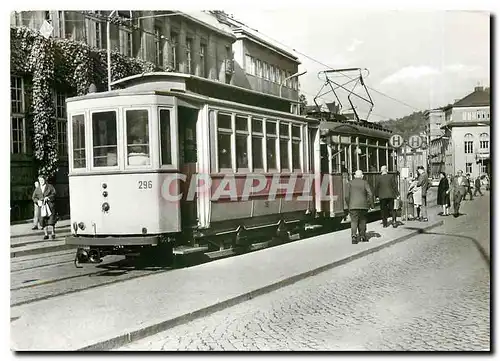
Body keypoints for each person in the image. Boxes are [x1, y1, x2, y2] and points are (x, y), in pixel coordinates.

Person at [345, 170, 374, 244]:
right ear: (362, 176)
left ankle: (354, 236)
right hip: (363, 206)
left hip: (353, 206)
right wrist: (371, 204)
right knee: (362, 221)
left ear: (354, 176)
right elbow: (370, 194)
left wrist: (349, 205)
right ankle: (362, 236)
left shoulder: (350, 183)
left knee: (354, 221)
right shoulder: (365, 183)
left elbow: (346, 196)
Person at [38, 175, 57, 240]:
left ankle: (53, 233)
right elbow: (33, 197)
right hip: (42, 206)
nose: (41, 182)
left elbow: (54, 194)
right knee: (43, 220)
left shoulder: (50, 186)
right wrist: (37, 201)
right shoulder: (38, 188)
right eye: (40, 180)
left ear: (45, 180)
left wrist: (48, 197)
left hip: (50, 205)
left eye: (42, 180)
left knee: (51, 220)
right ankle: (46, 234)